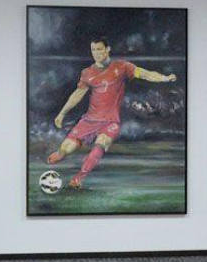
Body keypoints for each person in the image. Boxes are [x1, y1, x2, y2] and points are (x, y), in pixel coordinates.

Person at [47, 37, 177, 188]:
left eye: (99, 49)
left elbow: (145, 74)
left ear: (107, 49)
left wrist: (164, 78)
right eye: (93, 50)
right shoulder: (87, 72)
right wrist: (62, 113)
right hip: (89, 120)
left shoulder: (122, 67)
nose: (96, 53)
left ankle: (78, 178)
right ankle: (61, 153)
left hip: (110, 121)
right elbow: (78, 94)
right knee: (66, 148)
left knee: (100, 145)